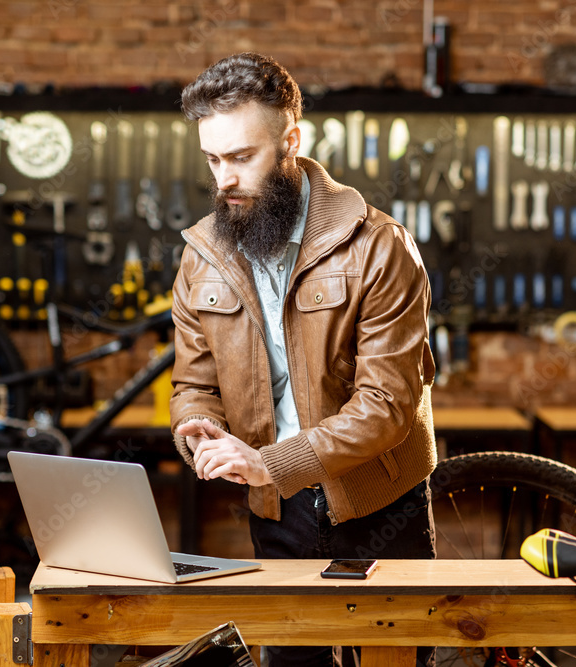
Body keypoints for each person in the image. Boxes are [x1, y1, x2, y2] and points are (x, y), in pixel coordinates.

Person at [171, 52, 437, 667]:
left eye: (242, 157)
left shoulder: (378, 246)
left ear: (290, 140)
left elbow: (387, 407)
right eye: (213, 159)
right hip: (274, 509)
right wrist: (196, 426)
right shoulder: (202, 256)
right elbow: (192, 382)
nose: (225, 180)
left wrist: (270, 462)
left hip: (378, 503)